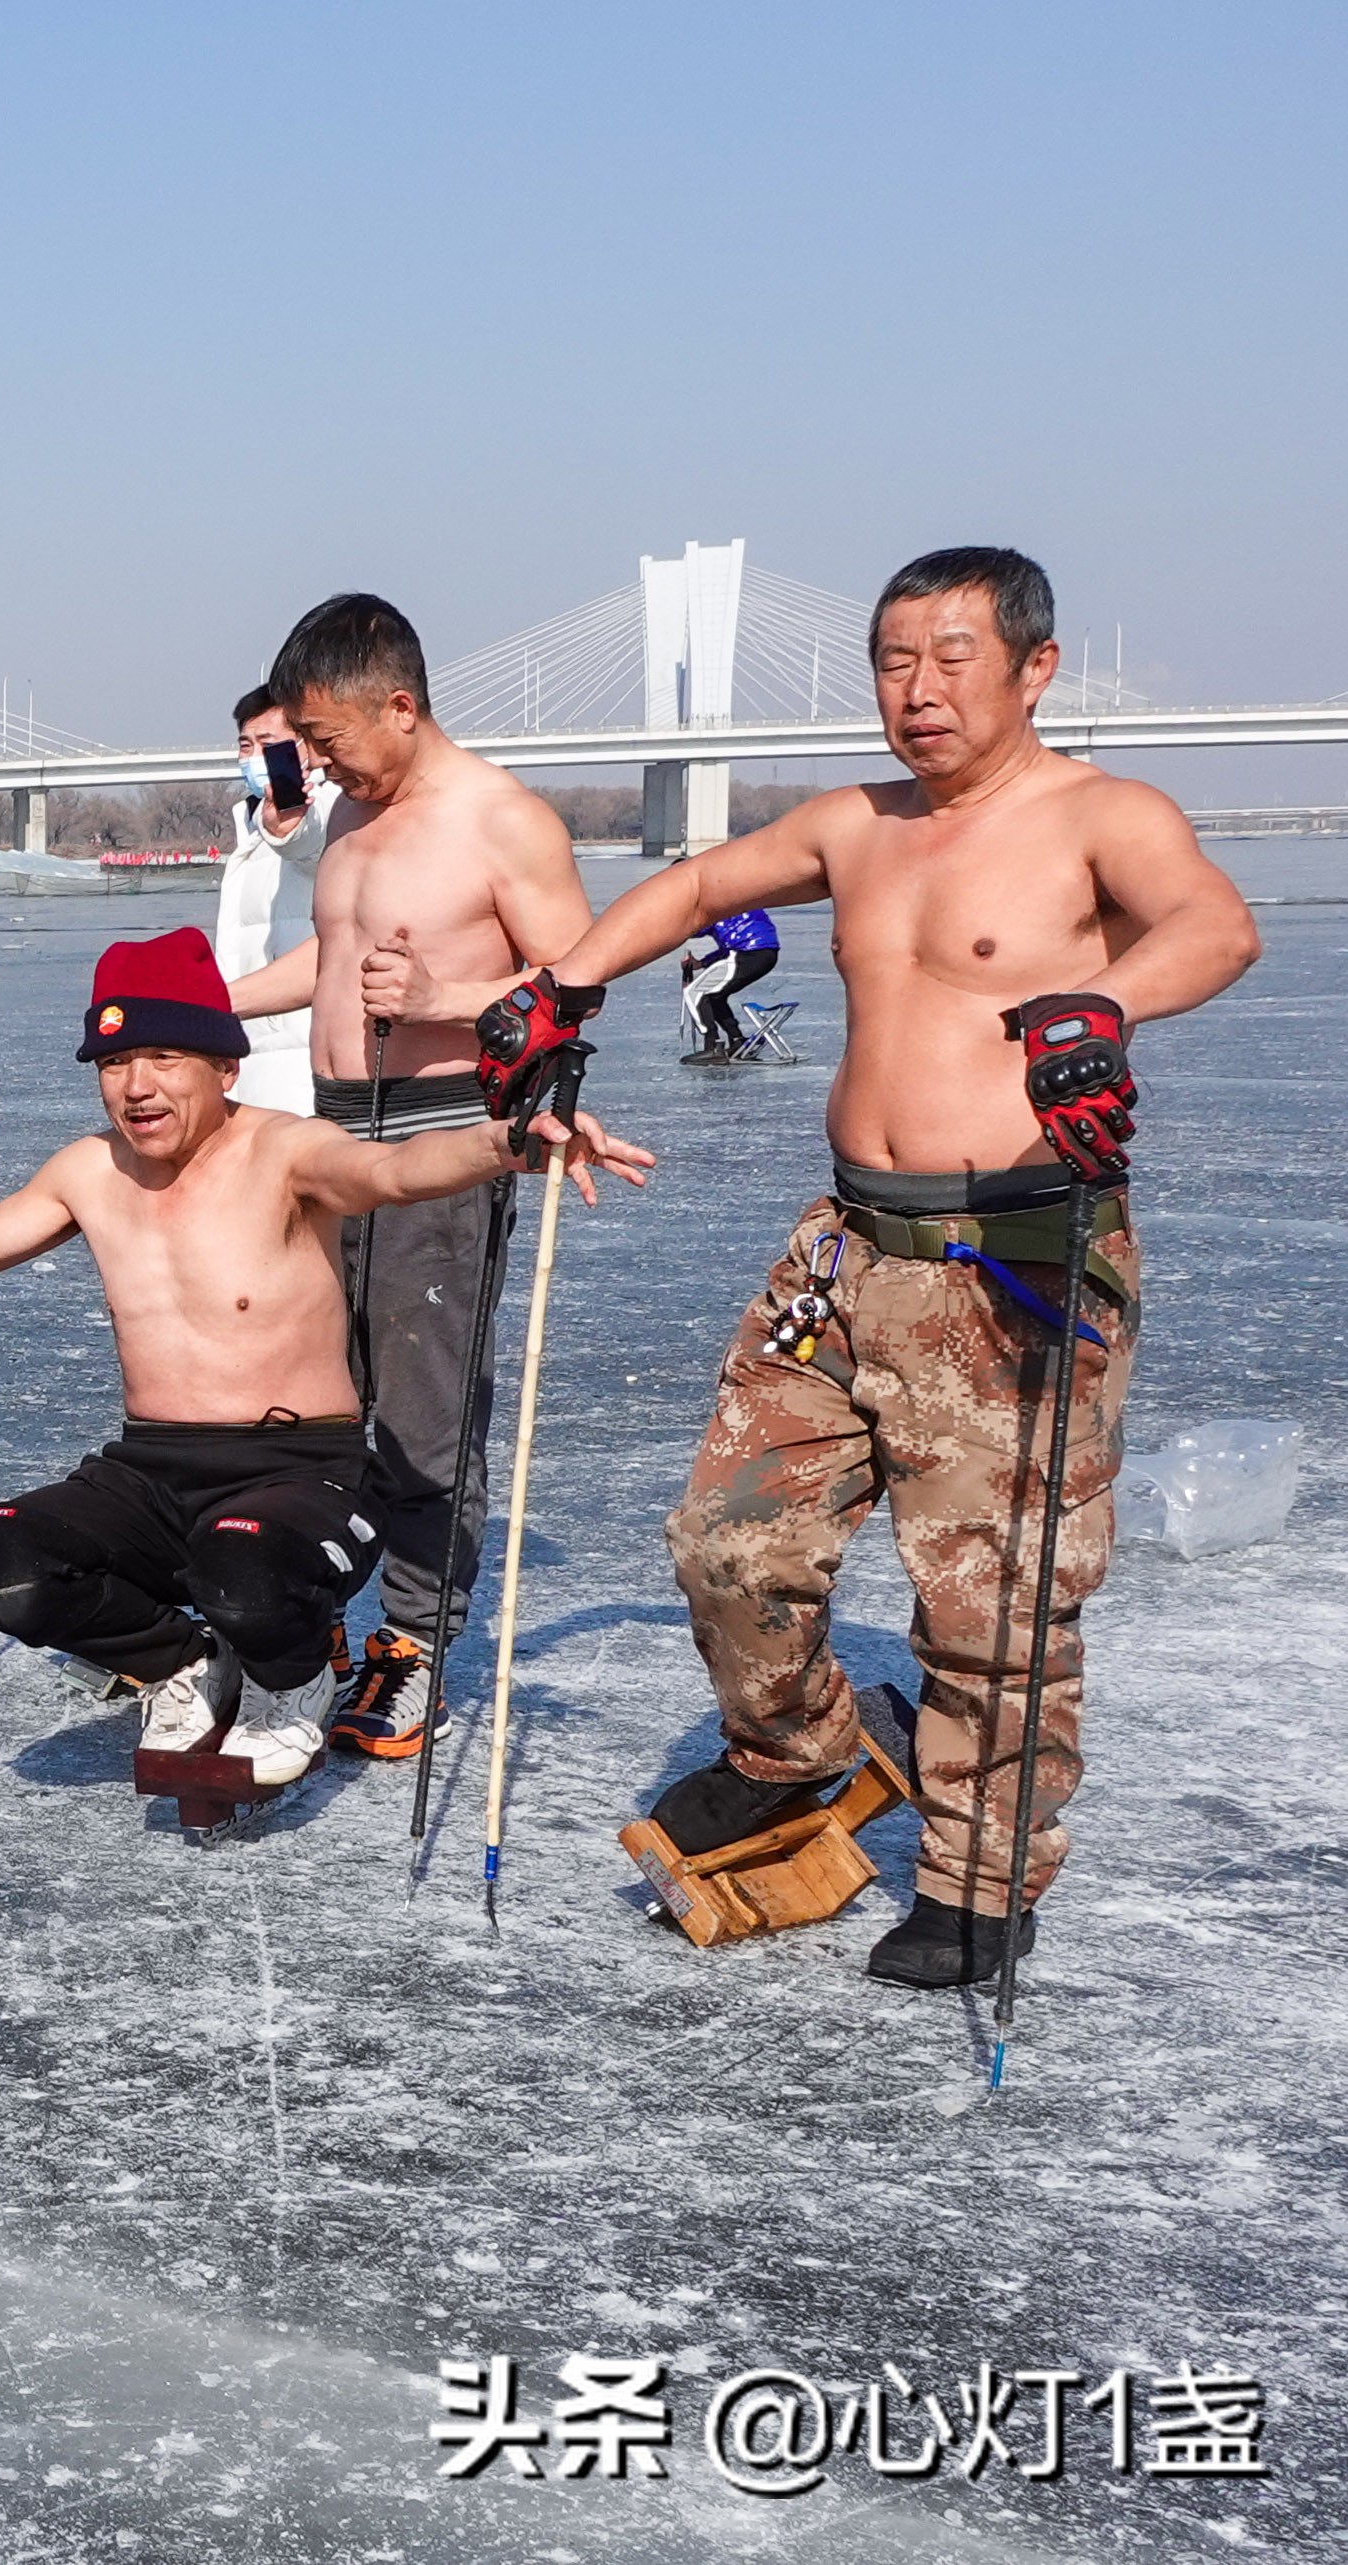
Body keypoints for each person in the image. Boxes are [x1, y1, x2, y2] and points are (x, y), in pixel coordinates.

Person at [421, 545, 1258, 1990]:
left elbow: (1213, 924)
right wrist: (559, 988)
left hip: (1012, 1254)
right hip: (843, 1242)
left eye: (949, 657)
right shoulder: (853, 825)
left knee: (988, 1606)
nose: (915, 691)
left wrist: (1097, 1007)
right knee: (727, 1539)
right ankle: (799, 1749)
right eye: (890, 660)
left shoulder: (1097, 817)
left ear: (1031, 667)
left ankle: (975, 1883)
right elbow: (692, 888)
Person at [0, 934, 643, 1811]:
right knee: (4, 1564)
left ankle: (292, 1680)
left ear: (224, 1067)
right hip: (151, 1470)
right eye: (113, 1061)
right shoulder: (86, 1170)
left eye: (162, 1056)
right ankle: (185, 1663)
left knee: (243, 1575)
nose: (135, 1085)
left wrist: (506, 1144)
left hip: (299, 1471)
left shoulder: (287, 1151)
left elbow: (395, 1169)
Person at [212, 595, 592, 1763]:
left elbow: (575, 979)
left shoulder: (499, 821)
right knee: (307, 1391)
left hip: (439, 1132)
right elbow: (329, 961)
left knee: (422, 1408)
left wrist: (437, 1002)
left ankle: (413, 1645)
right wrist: (204, 1011)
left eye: (326, 739)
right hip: (325, 1133)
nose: (313, 763)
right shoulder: (354, 819)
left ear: (400, 705)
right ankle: (303, 1600)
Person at [220, 685, 322, 1115]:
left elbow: (309, 840)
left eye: (269, 744)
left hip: (302, 1061)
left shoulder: (326, 805)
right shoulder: (251, 824)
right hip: (250, 1050)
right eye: (247, 743)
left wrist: (288, 830)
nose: (255, 755)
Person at [679, 907, 784, 1060]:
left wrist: (675, 928)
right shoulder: (742, 901)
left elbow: (696, 928)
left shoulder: (719, 906)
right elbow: (728, 947)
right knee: (715, 995)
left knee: (695, 992)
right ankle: (737, 1040)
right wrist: (701, 963)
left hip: (747, 954)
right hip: (766, 953)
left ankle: (713, 1046)